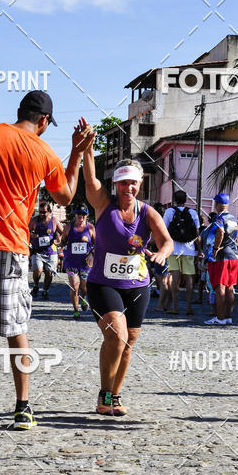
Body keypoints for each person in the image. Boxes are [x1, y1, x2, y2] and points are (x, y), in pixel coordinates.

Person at [0, 90, 93, 434]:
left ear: (20, 112)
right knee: (17, 330)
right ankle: (22, 410)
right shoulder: (44, 151)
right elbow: (66, 195)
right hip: (14, 247)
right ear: (44, 121)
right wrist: (77, 152)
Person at [82, 154, 172, 417]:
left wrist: (161, 254)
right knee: (116, 336)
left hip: (137, 285)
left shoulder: (147, 212)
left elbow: (166, 241)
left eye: (133, 183)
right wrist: (87, 150)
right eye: (123, 183)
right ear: (116, 184)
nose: (128, 188)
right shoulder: (103, 203)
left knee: (127, 342)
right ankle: (104, 393)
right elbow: (90, 179)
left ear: (140, 183)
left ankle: (114, 394)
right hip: (102, 283)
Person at [203, 193, 238, 325]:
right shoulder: (233, 218)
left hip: (220, 257)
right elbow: (236, 237)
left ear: (217, 204)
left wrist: (215, 249)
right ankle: (228, 317)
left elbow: (220, 232)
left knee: (219, 286)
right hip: (233, 255)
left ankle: (220, 317)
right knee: (230, 287)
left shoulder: (219, 218)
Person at [163, 190, 199, 316]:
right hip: (189, 250)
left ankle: (176, 307)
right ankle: (189, 307)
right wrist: (199, 250)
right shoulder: (193, 212)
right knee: (189, 278)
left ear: (174, 199)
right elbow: (197, 233)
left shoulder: (169, 212)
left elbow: (164, 230)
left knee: (174, 278)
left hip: (173, 250)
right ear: (186, 199)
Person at [61, 205, 95, 319]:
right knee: (74, 286)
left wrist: (92, 253)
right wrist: (58, 242)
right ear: (75, 215)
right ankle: (76, 310)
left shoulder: (90, 228)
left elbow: (97, 244)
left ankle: (83, 298)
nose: (81, 216)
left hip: (85, 263)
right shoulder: (68, 227)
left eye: (84, 214)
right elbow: (63, 241)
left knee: (84, 288)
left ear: (87, 216)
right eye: (79, 214)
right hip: (71, 262)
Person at [29, 201, 63, 299]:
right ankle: (36, 285)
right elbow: (26, 231)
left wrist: (59, 239)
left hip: (50, 251)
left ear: (49, 212)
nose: (41, 214)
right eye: (40, 212)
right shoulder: (35, 220)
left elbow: (63, 232)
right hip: (37, 251)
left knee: (49, 273)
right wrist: (31, 235)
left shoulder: (54, 221)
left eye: (44, 212)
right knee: (38, 271)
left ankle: (45, 290)